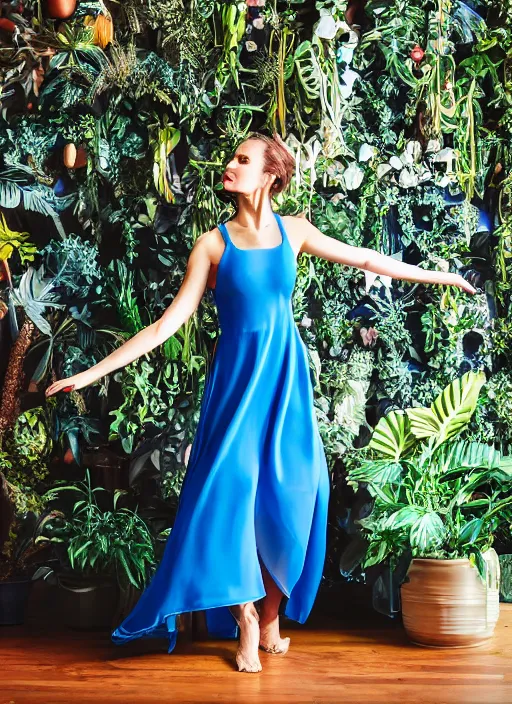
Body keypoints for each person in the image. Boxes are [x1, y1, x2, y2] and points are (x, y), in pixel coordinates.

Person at [45, 132, 476, 673]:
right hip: (235, 389)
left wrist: (443, 276)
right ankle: (246, 617)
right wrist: (89, 373)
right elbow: (162, 327)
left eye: (243, 160)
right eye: (232, 157)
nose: (229, 165)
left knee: (299, 491)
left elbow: (367, 257)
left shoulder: (293, 232)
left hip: (285, 384)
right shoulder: (212, 245)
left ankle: (271, 612)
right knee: (226, 499)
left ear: (271, 174)